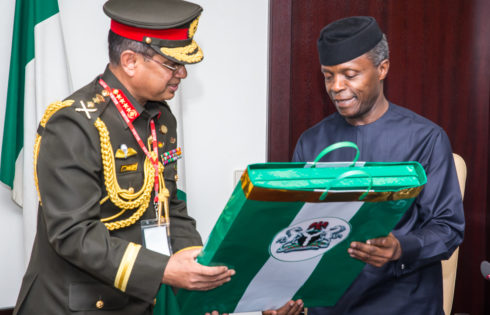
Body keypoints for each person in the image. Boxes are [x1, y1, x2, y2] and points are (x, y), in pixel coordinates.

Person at [13, 0, 235, 314]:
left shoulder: (159, 118)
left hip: (134, 299)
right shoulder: (74, 123)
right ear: (130, 61)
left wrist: (196, 263)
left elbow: (167, 204)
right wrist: (164, 270)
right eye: (172, 64)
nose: (182, 73)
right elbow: (73, 234)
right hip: (73, 305)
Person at [292, 16, 465, 314]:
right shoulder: (311, 143)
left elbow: (447, 228)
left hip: (403, 301)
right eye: (328, 75)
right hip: (330, 304)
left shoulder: (426, 138)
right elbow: (295, 229)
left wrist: (399, 247)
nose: (336, 86)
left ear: (382, 68)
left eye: (349, 74)